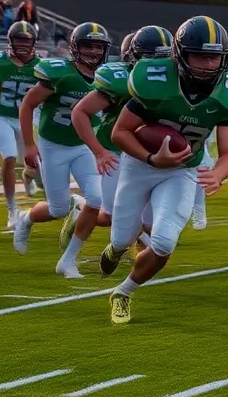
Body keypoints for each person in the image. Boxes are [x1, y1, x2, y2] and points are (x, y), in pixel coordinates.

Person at [102, 16, 228, 324]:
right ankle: (115, 250)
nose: (209, 64)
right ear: (180, 54)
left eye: (215, 56)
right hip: (141, 165)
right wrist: (153, 158)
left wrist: (218, 173)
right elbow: (120, 133)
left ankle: (123, 292)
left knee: (165, 241)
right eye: (201, 55)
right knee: (120, 239)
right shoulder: (154, 80)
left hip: (184, 170)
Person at [12, 23, 112, 276]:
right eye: (88, 45)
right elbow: (27, 105)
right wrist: (28, 144)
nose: (93, 51)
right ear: (75, 47)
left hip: (82, 146)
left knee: (97, 198)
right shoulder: (60, 73)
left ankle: (68, 260)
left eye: (98, 46)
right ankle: (26, 219)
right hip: (53, 145)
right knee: (57, 209)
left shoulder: (108, 77)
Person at [71, 27, 172, 272]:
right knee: (113, 216)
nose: (160, 63)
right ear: (136, 56)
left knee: (148, 219)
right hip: (114, 152)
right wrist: (98, 151)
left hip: (145, 153)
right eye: (153, 57)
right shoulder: (120, 78)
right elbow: (81, 112)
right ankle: (79, 210)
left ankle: (134, 238)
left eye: (166, 56)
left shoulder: (174, 79)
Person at [0, 21, 41, 229]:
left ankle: (28, 175)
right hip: (2, 116)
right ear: (11, 41)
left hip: (29, 118)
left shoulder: (40, 65)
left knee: (36, 164)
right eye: (19, 40)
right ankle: (11, 208)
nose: (23, 44)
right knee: (8, 157)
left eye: (27, 40)